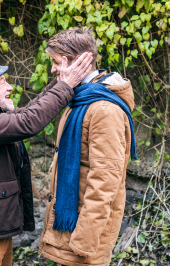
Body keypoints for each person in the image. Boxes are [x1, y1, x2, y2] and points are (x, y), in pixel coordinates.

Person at [0, 53, 93, 266]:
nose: (10, 87)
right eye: (2, 82)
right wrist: (66, 85)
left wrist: (61, 80)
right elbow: (27, 122)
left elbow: (29, 111)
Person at [39, 27, 137, 266]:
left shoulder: (104, 109)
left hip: (86, 235)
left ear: (77, 62)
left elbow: (105, 181)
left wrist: (84, 240)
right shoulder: (80, 98)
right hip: (71, 226)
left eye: (55, 62)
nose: (52, 69)